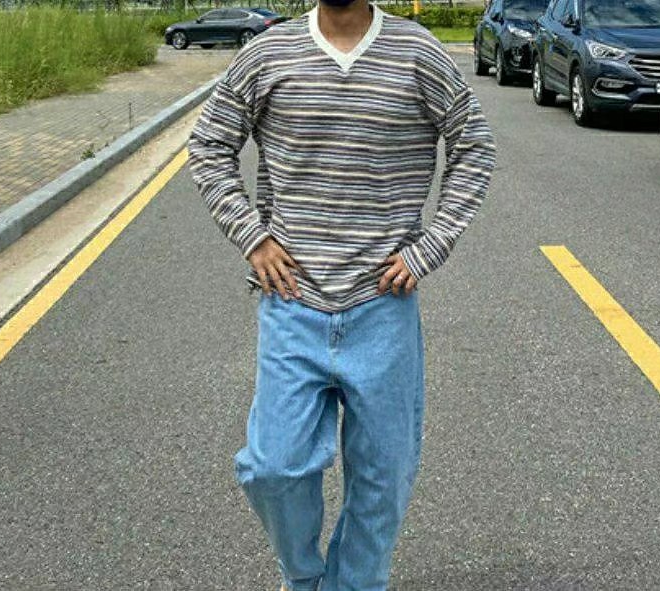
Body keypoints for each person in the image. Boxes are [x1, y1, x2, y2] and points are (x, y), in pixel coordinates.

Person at [188, 0, 495, 588]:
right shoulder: (269, 53)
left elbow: (474, 147)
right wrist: (253, 237)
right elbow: (209, 147)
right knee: (273, 468)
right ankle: (305, 578)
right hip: (292, 303)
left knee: (383, 476)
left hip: (382, 306)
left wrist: (429, 247)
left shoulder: (418, 52)